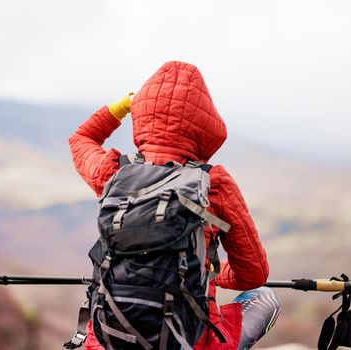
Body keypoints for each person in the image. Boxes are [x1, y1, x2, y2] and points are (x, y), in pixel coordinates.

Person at [69, 61, 280, 349]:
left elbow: (81, 138)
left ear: (143, 113)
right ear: (207, 125)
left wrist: (120, 107)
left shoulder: (115, 172)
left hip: (108, 337)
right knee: (266, 296)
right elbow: (253, 274)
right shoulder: (213, 183)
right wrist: (209, 275)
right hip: (189, 339)